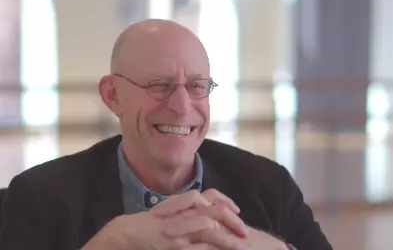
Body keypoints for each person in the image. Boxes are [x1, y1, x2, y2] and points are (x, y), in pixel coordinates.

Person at [0, 19, 333, 250]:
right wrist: (112, 242)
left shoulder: (268, 186)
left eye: (196, 86)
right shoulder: (39, 196)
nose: (181, 106)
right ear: (113, 95)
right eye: (159, 85)